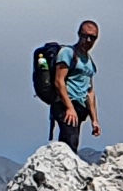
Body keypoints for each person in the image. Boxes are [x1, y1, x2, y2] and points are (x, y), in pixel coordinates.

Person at [34, 20, 104, 152]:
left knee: (72, 140)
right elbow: (59, 81)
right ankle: (62, 171)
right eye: (85, 36)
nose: (88, 40)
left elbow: (89, 91)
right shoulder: (68, 53)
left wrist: (94, 120)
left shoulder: (89, 62)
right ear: (79, 34)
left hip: (79, 107)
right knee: (70, 141)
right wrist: (69, 108)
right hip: (64, 104)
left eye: (92, 37)